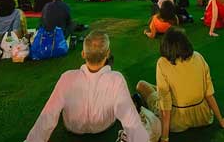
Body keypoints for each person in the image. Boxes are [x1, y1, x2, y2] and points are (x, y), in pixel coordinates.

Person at [25, 31, 158, 142]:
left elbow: (48, 114)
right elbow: (130, 119)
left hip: (73, 127)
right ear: (107, 54)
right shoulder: (116, 79)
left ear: (83, 54)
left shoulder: (67, 77)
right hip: (103, 126)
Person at [136, 28, 224, 140]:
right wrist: (221, 120)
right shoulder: (198, 57)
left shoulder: (162, 63)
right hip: (203, 118)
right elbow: (209, 93)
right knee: (162, 90)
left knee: (141, 85)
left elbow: (165, 103)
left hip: (176, 121)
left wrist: (165, 137)